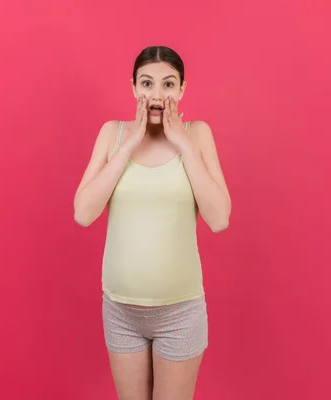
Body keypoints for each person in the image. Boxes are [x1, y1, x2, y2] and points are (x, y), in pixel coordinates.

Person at [73, 45, 231, 400]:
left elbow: (219, 218)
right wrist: (127, 148)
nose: (157, 94)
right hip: (121, 312)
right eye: (147, 83)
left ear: (182, 89)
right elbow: (83, 213)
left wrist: (184, 146)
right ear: (133, 87)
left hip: (180, 313)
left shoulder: (198, 134)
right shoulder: (112, 134)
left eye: (168, 84)